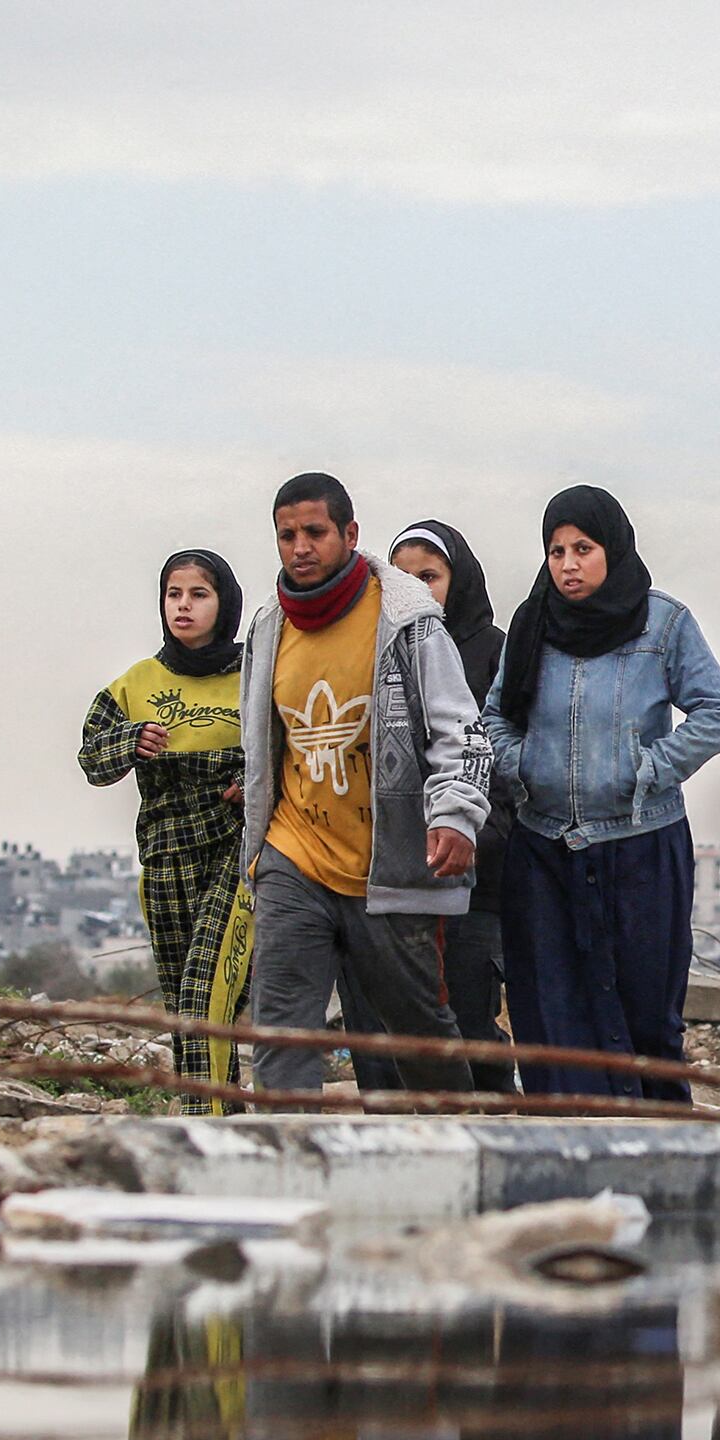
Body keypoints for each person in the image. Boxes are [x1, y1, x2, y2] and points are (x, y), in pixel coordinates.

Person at [237, 471, 490, 1100]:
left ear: (349, 533)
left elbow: (461, 727)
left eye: (315, 532)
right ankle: (287, 1161)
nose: (301, 547)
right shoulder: (269, 629)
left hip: (389, 862)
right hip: (293, 854)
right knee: (283, 1026)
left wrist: (455, 815)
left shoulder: (408, 620)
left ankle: (453, 1142)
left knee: (415, 1029)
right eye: (287, 535)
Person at [484, 485, 720, 1099]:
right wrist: (523, 767)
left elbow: (717, 713)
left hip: (640, 847)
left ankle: (653, 1153)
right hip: (545, 849)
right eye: (556, 550)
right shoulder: (532, 624)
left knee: (645, 1010)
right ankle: (567, 1153)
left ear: (613, 549)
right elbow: (494, 715)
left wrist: (647, 769)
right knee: (550, 1012)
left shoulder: (662, 622)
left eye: (583, 548)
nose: (568, 565)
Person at [77, 549, 245, 1103]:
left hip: (233, 849)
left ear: (223, 604)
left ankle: (207, 1123)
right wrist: (132, 742)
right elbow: (92, 759)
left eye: (199, 595)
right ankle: (218, 1110)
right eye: (174, 595)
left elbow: (292, 742)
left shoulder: (256, 675)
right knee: (183, 1004)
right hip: (166, 853)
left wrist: (254, 777)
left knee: (206, 987)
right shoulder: (137, 683)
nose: (184, 607)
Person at [387, 520, 516, 1094]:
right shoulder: (380, 650)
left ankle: (492, 1113)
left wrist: (474, 830)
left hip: (474, 868)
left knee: (468, 1015)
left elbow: (505, 753)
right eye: (402, 577)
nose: (415, 588)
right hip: (394, 868)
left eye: (429, 576)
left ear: (456, 581)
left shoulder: (493, 652)